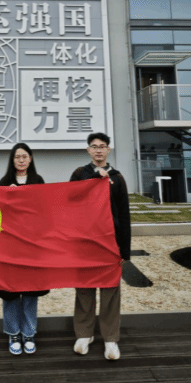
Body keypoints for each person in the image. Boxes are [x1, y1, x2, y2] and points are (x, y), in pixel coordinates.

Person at [69, 132, 131, 361]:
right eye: (94, 146)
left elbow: (124, 215)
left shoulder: (118, 178)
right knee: (84, 290)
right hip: (85, 242)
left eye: (102, 146)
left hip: (110, 243)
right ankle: (84, 334)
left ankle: (110, 338)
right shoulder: (79, 174)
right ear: (88, 150)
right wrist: (95, 179)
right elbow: (70, 199)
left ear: (108, 150)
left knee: (110, 290)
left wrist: (125, 249)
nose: (98, 150)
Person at [0, 143, 49, 355]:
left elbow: (45, 211)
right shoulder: (4, 182)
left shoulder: (38, 181)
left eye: (24, 156)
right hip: (9, 246)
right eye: (17, 157)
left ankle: (28, 332)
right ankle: (13, 333)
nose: (21, 160)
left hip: (31, 246)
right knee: (10, 292)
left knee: (29, 292)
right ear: (12, 159)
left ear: (30, 158)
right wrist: (7, 197)